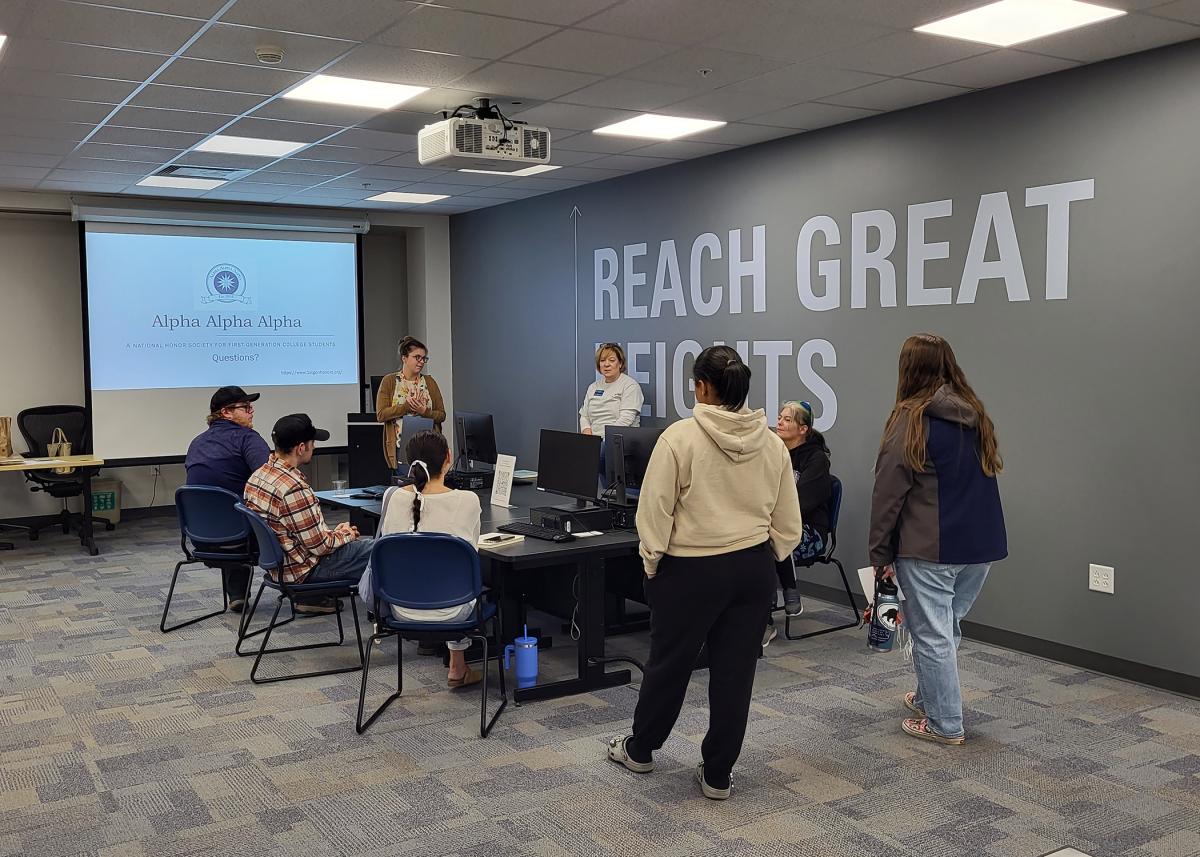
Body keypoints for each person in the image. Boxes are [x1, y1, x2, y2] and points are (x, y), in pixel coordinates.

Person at [607, 345, 801, 800]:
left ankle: (641, 750)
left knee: (669, 666)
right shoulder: (773, 445)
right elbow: (788, 524)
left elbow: (654, 513)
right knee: (736, 675)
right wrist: (761, 555)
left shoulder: (679, 438)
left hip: (689, 570)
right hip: (752, 569)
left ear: (703, 387)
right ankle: (717, 775)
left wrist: (652, 563)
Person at [869, 333, 1007, 746]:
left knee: (931, 634)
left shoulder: (910, 419)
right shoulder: (975, 414)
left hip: (930, 546)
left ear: (907, 368)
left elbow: (887, 493)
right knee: (944, 627)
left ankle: (945, 723)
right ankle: (931, 698)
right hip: (979, 547)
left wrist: (879, 552)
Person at [358, 430, 484, 688]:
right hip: (454, 611)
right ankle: (457, 665)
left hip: (400, 610)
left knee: (437, 575)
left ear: (409, 463)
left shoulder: (391, 498)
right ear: (449, 458)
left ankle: (457, 667)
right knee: (464, 579)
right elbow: (472, 554)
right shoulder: (468, 501)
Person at [244, 414, 373, 613]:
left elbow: (296, 531)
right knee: (383, 550)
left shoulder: (257, 476)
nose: (315, 447)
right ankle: (401, 616)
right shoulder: (293, 488)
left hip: (280, 566)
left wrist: (334, 534)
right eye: (313, 443)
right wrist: (346, 535)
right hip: (306, 569)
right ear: (301, 448)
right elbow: (321, 548)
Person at [183, 386, 270, 612]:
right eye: (246, 407)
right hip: (239, 540)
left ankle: (237, 593)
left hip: (199, 539)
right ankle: (307, 597)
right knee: (286, 512)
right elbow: (271, 481)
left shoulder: (196, 443)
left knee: (233, 507)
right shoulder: (248, 439)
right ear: (226, 412)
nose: (252, 412)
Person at [763, 399, 833, 647]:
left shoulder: (816, 460)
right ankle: (784, 592)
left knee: (764, 540)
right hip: (771, 524)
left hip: (809, 532)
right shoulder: (771, 453)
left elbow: (799, 505)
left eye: (788, 419)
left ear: (803, 429)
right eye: (780, 417)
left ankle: (765, 620)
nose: (780, 422)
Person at [376, 336, 446, 474]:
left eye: (424, 358)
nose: (421, 362)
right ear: (404, 358)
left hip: (430, 447)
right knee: (408, 486)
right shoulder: (390, 381)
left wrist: (424, 411)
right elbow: (381, 414)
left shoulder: (429, 382)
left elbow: (441, 415)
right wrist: (406, 407)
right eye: (417, 357)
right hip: (403, 448)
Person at [579, 342, 644, 438]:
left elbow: (626, 419)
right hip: (594, 440)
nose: (606, 364)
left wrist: (604, 439)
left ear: (620, 363)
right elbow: (584, 416)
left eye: (612, 360)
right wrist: (588, 437)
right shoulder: (593, 387)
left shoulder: (630, 386)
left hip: (618, 441)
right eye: (602, 360)